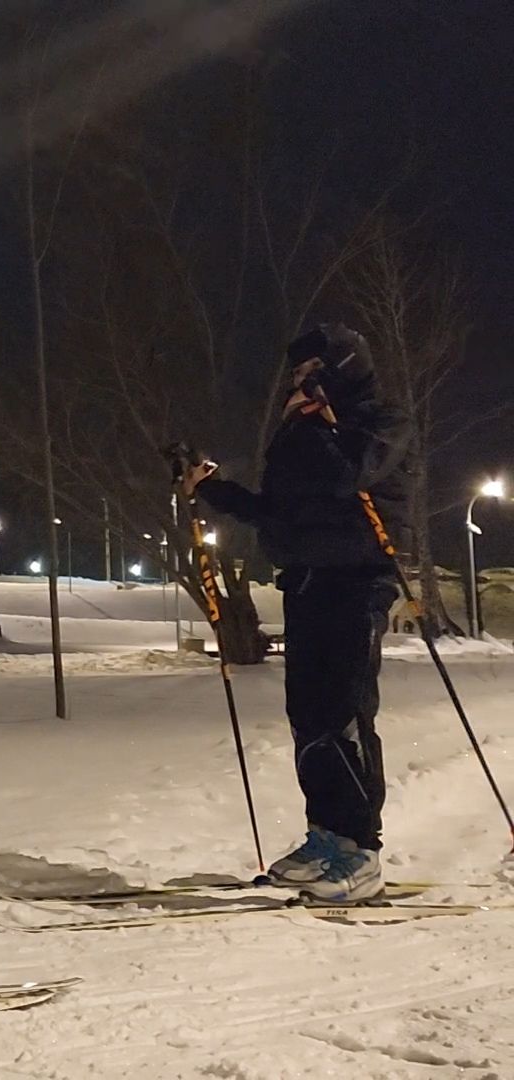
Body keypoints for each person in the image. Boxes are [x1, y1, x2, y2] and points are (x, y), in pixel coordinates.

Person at [189, 323, 408, 902]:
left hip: (357, 580)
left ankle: (361, 850)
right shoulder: (302, 431)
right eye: (296, 375)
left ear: (339, 369)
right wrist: (212, 490)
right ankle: (327, 836)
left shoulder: (379, 423)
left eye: (309, 371)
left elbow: (350, 475)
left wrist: (317, 422)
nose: (298, 382)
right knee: (307, 716)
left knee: (343, 712)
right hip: (307, 581)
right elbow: (277, 512)